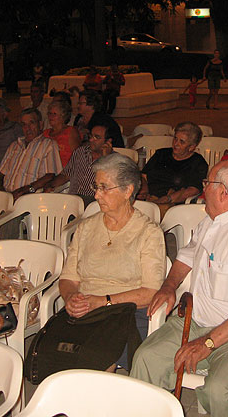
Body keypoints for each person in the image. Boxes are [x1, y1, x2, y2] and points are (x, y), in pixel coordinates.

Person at [130, 160, 228, 417]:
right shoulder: (213, 221)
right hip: (196, 321)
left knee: (220, 391)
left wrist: (207, 342)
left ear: (223, 191)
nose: (203, 190)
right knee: (146, 358)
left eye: (207, 184)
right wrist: (169, 286)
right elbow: (187, 257)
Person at [57, 152, 165, 371]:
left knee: (97, 354)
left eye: (104, 188)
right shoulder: (86, 228)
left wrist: (102, 301)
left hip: (126, 313)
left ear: (128, 191)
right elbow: (68, 277)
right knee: (57, 351)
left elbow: (150, 293)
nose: (97, 195)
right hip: (86, 310)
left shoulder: (148, 232)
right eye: (96, 187)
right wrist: (70, 298)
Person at [0, 108, 62, 200]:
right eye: (24, 125)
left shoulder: (48, 145)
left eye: (32, 123)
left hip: (29, 198)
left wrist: (26, 189)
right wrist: (2, 193)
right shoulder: (14, 145)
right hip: (6, 196)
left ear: (40, 125)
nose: (28, 128)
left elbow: (50, 176)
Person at [139, 122, 208, 204]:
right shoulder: (161, 154)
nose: (176, 144)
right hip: (148, 198)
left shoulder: (198, 163)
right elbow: (143, 176)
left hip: (172, 203)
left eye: (181, 142)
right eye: (175, 138)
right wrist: (144, 190)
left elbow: (193, 190)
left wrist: (168, 199)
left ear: (191, 147)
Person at [44, 124, 113, 205]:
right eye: (90, 136)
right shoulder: (80, 152)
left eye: (96, 137)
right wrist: (50, 185)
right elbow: (66, 175)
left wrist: (106, 157)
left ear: (108, 141)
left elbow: (108, 185)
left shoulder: (113, 160)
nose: (91, 140)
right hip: (73, 199)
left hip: (94, 201)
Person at [43, 100, 81, 167]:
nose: (51, 117)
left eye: (54, 114)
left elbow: (78, 157)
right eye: (49, 113)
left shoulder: (70, 132)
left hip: (66, 172)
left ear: (63, 116)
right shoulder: (45, 133)